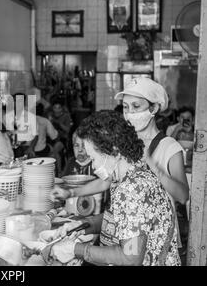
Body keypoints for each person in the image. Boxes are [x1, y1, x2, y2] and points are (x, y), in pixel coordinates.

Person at [51, 78, 189, 246]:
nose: (129, 113)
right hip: (125, 235)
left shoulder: (169, 147)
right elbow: (106, 182)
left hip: (156, 240)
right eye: (125, 107)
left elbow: (183, 196)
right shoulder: (123, 143)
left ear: (154, 108)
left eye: (136, 106)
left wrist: (155, 167)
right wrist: (71, 193)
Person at [51, 111, 180, 266]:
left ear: (114, 151)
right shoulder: (127, 174)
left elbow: (131, 257)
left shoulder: (133, 190)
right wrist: (83, 225)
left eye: (93, 158)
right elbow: (122, 220)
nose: (93, 165)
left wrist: (74, 249)